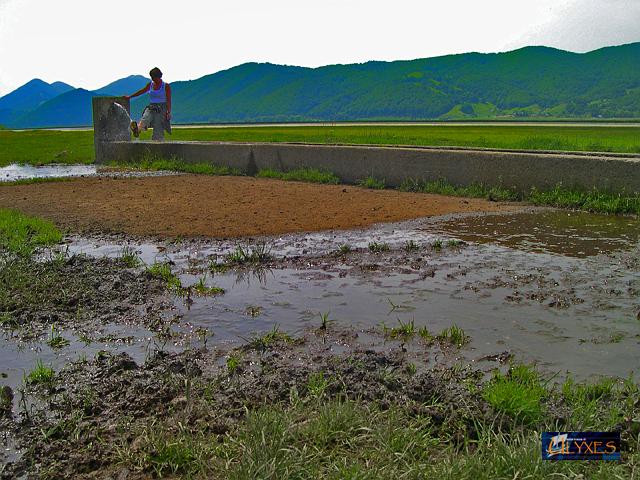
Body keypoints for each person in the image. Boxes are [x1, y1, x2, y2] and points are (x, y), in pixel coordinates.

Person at [125, 67, 172, 141]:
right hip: (151, 107)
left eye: (155, 78)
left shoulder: (165, 86)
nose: (153, 80)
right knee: (145, 118)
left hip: (161, 108)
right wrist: (130, 96)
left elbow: (169, 100)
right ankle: (137, 129)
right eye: (152, 78)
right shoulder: (150, 84)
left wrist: (168, 112)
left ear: (159, 76)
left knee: (158, 128)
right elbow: (141, 91)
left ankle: (158, 144)